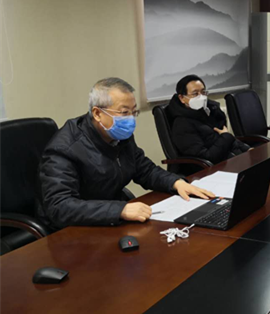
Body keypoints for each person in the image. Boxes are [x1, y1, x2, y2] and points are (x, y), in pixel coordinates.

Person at [37, 77, 215, 231]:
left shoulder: (118, 136)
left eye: (133, 112)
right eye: (124, 113)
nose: (130, 119)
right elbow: (59, 206)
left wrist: (176, 182)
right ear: (97, 113)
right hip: (72, 229)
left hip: (108, 218)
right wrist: (119, 210)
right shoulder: (65, 148)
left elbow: (144, 169)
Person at [168, 75, 249, 164]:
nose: (201, 97)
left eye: (203, 92)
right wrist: (226, 136)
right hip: (213, 167)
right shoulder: (182, 124)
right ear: (182, 98)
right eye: (195, 94)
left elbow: (226, 139)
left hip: (231, 158)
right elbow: (208, 157)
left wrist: (247, 149)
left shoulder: (208, 112)